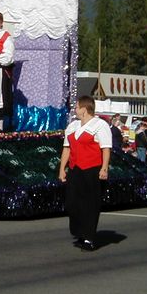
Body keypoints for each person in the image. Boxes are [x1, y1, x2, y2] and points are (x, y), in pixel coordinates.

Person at [58, 95, 112, 252]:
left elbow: (106, 148)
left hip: (92, 169)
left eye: (77, 106)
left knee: (90, 204)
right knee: (72, 203)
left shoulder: (100, 125)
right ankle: (79, 232)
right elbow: (66, 149)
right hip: (75, 169)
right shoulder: (73, 126)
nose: (75, 109)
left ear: (84, 109)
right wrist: (62, 168)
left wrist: (104, 168)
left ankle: (89, 237)